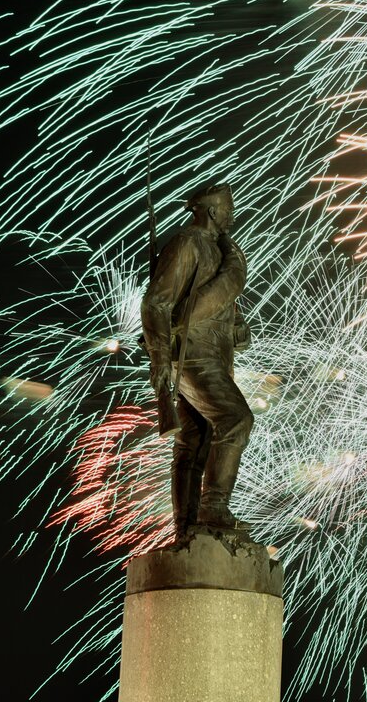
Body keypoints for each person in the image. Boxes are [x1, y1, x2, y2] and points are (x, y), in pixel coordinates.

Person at [141, 182, 252, 538]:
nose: (232, 214)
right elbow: (156, 302)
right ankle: (213, 508)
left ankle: (187, 529)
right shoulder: (188, 243)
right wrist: (159, 357)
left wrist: (237, 328)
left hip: (215, 354)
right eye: (228, 207)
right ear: (212, 211)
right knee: (235, 420)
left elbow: (216, 306)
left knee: (197, 439)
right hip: (190, 354)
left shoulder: (218, 251)